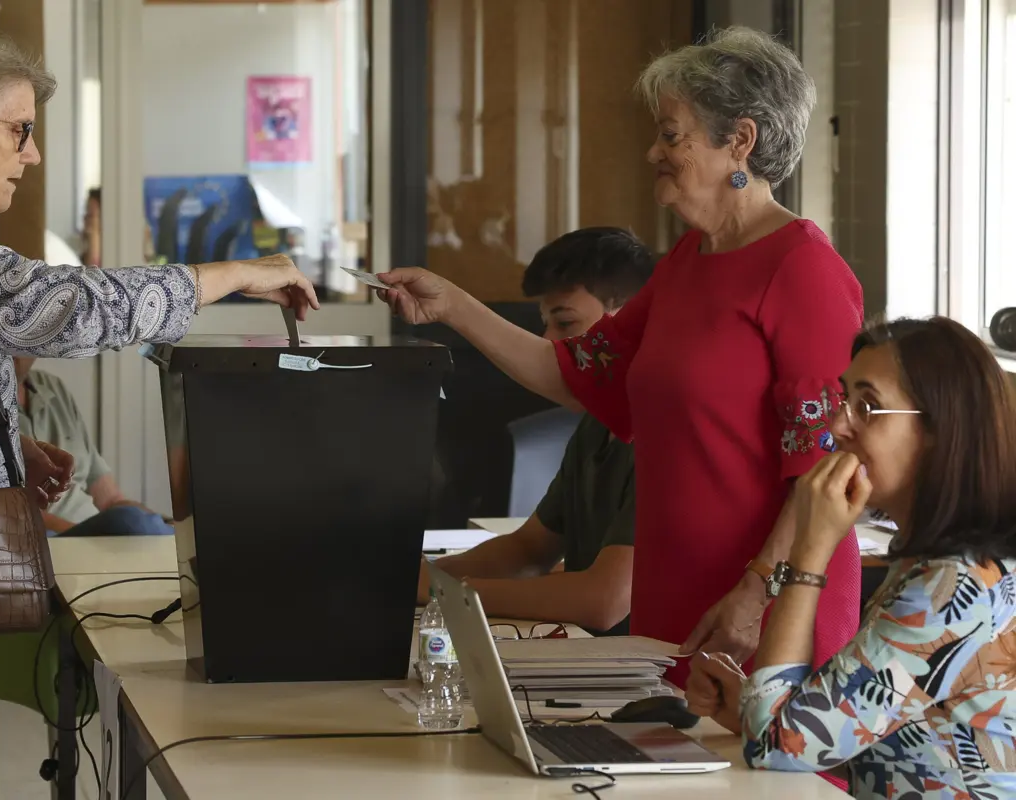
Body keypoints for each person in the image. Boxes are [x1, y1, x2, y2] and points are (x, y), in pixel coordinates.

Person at [0, 28, 317, 799]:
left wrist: (8, 446)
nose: (32, 154)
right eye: (18, 130)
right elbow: (71, 308)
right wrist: (237, 272)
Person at [377, 26, 863, 687]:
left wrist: (754, 594)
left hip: (761, 612)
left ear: (739, 141)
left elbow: (825, 472)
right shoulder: (689, 261)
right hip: (674, 603)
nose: (652, 151)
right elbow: (574, 374)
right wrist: (453, 306)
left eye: (672, 134)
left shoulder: (802, 269)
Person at [686, 317, 1016, 800]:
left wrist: (811, 551)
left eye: (869, 406)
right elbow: (834, 728)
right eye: (844, 401)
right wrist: (753, 709)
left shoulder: (951, 588)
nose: (838, 425)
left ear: (939, 432)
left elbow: (776, 747)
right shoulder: (943, 560)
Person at [417, 227, 652, 635]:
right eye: (546, 325)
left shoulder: (662, 436)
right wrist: (416, 579)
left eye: (565, 323)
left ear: (628, 320)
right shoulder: (596, 428)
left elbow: (604, 601)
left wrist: (441, 591)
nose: (548, 343)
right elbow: (528, 549)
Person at [15, 357, 172, 536]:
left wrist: (167, 524)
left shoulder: (53, 388)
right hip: (44, 540)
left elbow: (111, 499)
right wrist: (102, 539)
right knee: (130, 522)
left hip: (102, 536)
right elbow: (11, 513)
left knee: (148, 524)